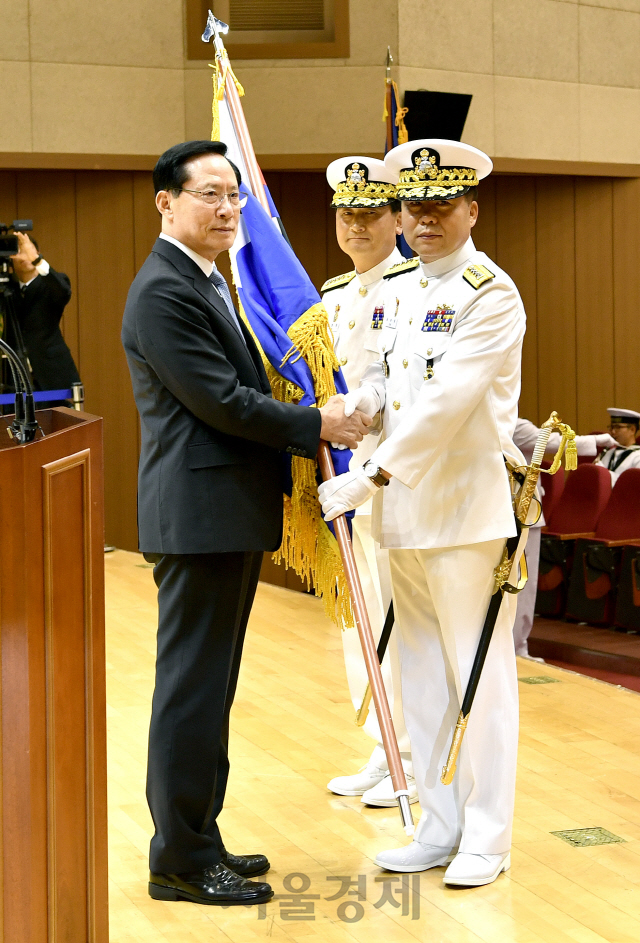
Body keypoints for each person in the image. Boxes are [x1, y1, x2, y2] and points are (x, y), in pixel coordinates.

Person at [121, 140, 370, 907]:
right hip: (197, 516)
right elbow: (220, 402)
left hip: (219, 514)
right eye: (210, 196)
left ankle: (200, 833)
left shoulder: (204, 278)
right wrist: (316, 422)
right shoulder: (164, 290)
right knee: (190, 690)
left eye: (235, 196)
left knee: (209, 685)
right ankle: (180, 861)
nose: (230, 210)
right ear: (166, 202)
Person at [319, 139, 527, 887]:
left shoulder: (489, 293)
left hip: (465, 513)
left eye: (442, 205)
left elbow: (444, 407)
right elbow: (385, 372)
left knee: (479, 673)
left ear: (472, 208)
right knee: (421, 673)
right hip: (407, 510)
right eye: (415, 207)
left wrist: (365, 476)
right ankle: (438, 825)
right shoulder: (404, 289)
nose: (426, 219)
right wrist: (363, 400)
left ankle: (488, 834)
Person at [321, 156, 416, 807]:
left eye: (370, 213)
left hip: (393, 480)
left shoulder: (415, 286)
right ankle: (385, 746)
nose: (356, 225)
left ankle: (408, 751)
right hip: (341, 480)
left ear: (397, 218)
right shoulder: (329, 296)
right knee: (361, 618)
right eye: (346, 213)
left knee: (398, 620)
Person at [512, 419, 616, 659]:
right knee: (522, 584)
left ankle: (510, 647)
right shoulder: (513, 424)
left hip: (495, 514)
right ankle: (517, 647)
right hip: (522, 511)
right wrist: (598, 441)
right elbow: (555, 442)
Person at [8, 232, 80, 406]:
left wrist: (37, 259)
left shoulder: (52, 282)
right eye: (18, 252)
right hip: (13, 379)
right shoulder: (7, 290)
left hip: (52, 373)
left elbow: (63, 291)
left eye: (27, 251)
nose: (23, 256)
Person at [595, 408, 640, 482]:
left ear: (632, 429)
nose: (613, 431)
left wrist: (605, 474)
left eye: (618, 427)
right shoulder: (608, 452)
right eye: (612, 427)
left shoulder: (638, 456)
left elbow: (633, 485)